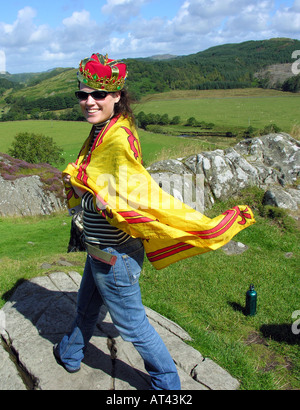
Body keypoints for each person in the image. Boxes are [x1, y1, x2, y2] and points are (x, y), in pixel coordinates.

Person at [54, 53, 255, 390]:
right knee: (86, 307)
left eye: (99, 94)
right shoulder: (104, 130)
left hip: (113, 253)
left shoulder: (116, 138)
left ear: (117, 96)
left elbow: (120, 200)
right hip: (101, 249)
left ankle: (167, 383)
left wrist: (79, 186)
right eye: (82, 94)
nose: (89, 101)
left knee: (132, 324)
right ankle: (71, 352)